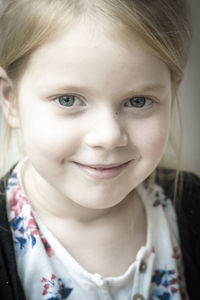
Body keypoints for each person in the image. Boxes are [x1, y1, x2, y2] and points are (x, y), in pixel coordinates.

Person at [0, 0, 197, 299]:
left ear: (172, 92)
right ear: (10, 98)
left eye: (138, 101)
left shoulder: (191, 207)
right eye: (68, 99)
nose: (108, 136)